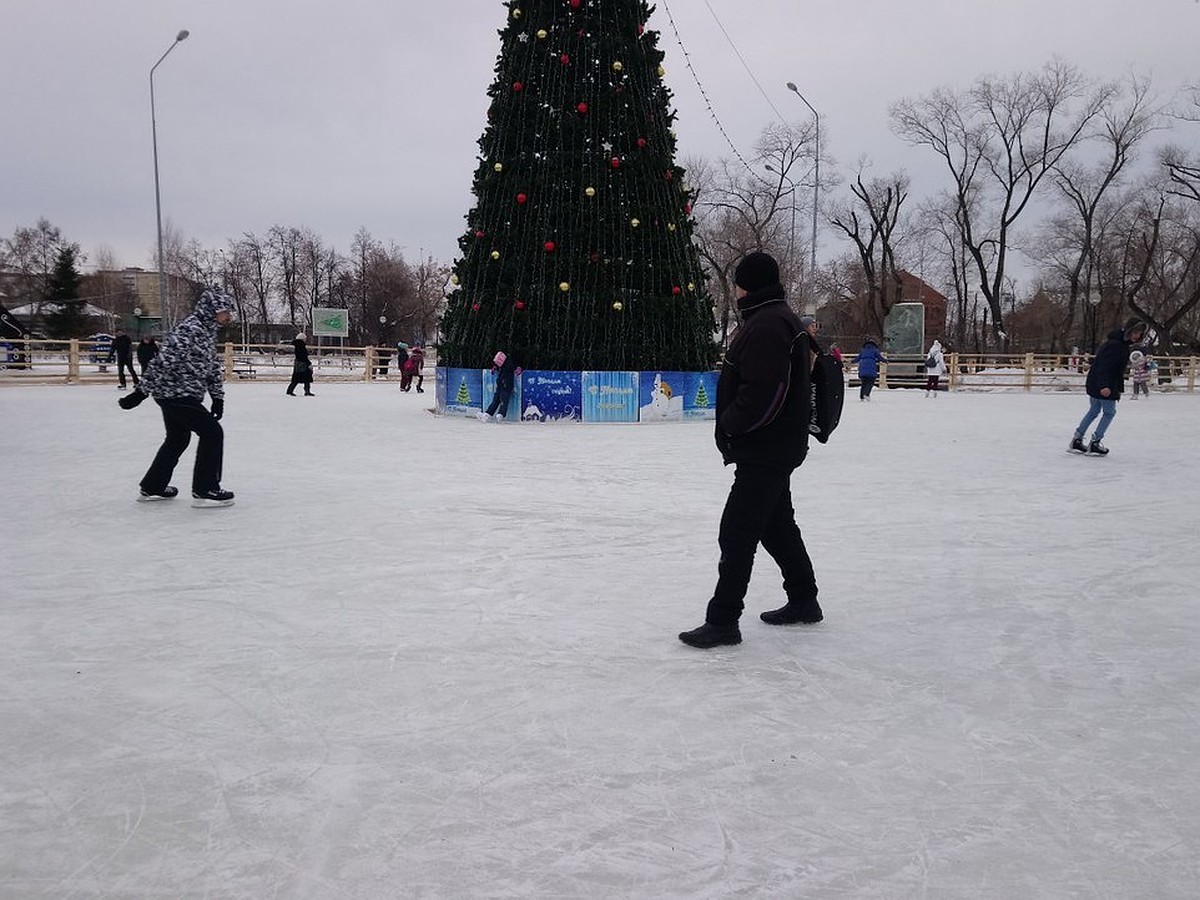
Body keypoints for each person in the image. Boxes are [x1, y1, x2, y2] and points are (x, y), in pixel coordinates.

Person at [679, 251, 820, 649]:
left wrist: (731, 424)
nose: (736, 289)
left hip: (766, 447)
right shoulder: (775, 318)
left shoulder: (768, 325)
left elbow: (765, 393)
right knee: (776, 526)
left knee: (737, 530)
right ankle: (804, 599)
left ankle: (723, 620)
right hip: (777, 444)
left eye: (739, 282)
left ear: (749, 285)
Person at [117, 288, 235, 508]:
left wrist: (218, 398)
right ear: (214, 310)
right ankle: (205, 488)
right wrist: (141, 392)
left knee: (178, 438)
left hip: (181, 393)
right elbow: (163, 361)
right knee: (212, 432)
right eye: (226, 311)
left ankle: (153, 486)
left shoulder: (206, 331)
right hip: (175, 393)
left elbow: (210, 366)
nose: (229, 316)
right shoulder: (190, 329)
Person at [1069, 320, 1146, 455]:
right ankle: (1095, 442)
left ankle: (1077, 439)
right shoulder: (1117, 346)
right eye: (1135, 332)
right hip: (1105, 384)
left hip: (1097, 381)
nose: (1137, 336)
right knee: (1109, 412)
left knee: (1094, 410)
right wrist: (1104, 385)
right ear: (1128, 330)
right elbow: (1105, 366)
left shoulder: (1117, 344)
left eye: (1139, 333)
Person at [478, 350, 520, 421]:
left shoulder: (509, 364)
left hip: (506, 385)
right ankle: (487, 414)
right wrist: (495, 367)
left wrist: (518, 369)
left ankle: (500, 415)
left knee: (504, 400)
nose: (497, 364)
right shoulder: (503, 365)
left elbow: (514, 368)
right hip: (501, 384)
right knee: (496, 399)